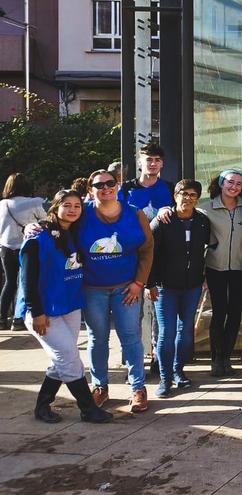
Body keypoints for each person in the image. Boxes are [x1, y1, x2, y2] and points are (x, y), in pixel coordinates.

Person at [18, 190, 112, 424]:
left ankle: (42, 405)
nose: (72, 210)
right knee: (69, 358)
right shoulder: (37, 238)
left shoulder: (74, 233)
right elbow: (27, 281)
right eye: (66, 205)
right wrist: (36, 312)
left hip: (69, 306)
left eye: (77, 206)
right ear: (55, 207)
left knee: (61, 359)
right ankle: (88, 409)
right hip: (44, 312)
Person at [78, 169, 154, 413]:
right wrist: (33, 229)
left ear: (118, 185)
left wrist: (139, 282)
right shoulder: (81, 213)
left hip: (126, 288)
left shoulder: (134, 213)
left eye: (110, 183)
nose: (106, 188)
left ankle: (137, 388)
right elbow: (57, 225)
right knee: (97, 338)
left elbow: (147, 249)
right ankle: (100, 386)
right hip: (93, 288)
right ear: (91, 189)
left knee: (130, 337)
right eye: (99, 185)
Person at [147, 180, 211, 398]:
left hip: (192, 285)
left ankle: (178, 372)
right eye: (184, 194)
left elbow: (205, 249)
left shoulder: (202, 221)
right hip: (165, 288)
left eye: (193, 194)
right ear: (175, 196)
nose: (188, 198)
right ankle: (164, 379)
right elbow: (149, 254)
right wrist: (149, 283)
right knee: (167, 333)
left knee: (185, 332)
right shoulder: (162, 221)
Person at [120, 142, 176, 377]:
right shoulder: (125, 189)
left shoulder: (171, 188)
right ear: (140, 162)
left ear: (162, 163)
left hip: (161, 259)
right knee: (132, 313)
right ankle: (132, 361)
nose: (152, 163)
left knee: (158, 312)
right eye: (148, 159)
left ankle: (156, 357)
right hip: (132, 259)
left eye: (156, 160)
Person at [199, 170, 242, 377]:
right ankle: (216, 359)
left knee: (235, 312)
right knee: (219, 313)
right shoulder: (205, 209)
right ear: (221, 183)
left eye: (238, 184)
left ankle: (227, 357)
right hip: (215, 267)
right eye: (230, 182)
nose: (234, 187)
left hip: (241, 266)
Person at [0, 173, 47, 330]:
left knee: (9, 282)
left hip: (6, 247)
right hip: (28, 247)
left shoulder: (2, 205)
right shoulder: (34, 203)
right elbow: (46, 219)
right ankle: (18, 319)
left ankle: (1, 319)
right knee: (27, 282)